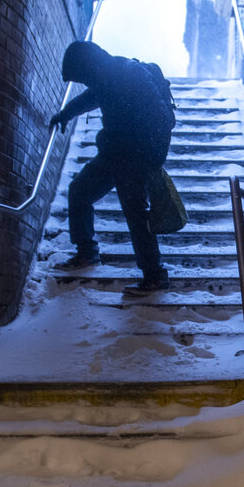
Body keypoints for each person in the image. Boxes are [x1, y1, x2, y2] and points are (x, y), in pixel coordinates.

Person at [49, 41, 175, 297]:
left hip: (134, 157)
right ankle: (87, 253)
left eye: (83, 76)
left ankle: (155, 275)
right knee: (80, 191)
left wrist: (151, 157)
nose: (85, 82)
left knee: (136, 214)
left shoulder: (128, 74)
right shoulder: (104, 77)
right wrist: (66, 114)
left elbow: (162, 117)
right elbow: (91, 97)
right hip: (114, 154)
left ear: (89, 66)